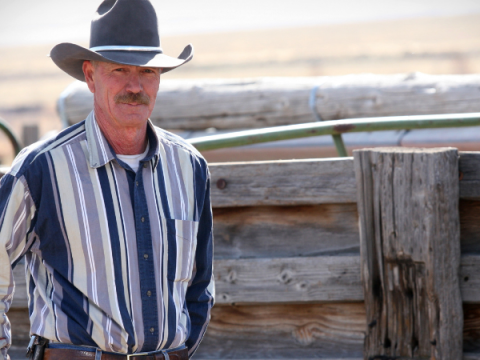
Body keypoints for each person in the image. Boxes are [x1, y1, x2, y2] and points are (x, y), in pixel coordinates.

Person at [0, 1, 215, 359]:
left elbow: (200, 287)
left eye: (148, 72)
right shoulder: (42, 169)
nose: (135, 86)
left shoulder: (189, 168)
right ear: (90, 75)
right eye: (119, 70)